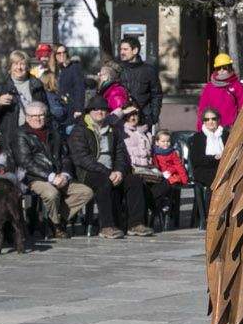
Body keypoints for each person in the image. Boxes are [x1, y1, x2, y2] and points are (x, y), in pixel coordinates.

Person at [10, 99, 92, 238]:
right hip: (34, 177)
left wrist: (65, 174)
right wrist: (51, 177)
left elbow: (65, 156)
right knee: (51, 194)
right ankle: (56, 226)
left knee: (86, 192)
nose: (38, 119)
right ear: (27, 117)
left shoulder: (53, 132)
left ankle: (57, 221)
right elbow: (26, 162)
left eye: (41, 115)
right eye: (33, 116)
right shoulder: (20, 134)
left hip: (59, 175)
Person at [68, 95, 147, 239]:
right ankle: (106, 226)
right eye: (96, 109)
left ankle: (136, 224)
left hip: (111, 170)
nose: (100, 112)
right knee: (103, 182)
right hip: (88, 172)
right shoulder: (80, 130)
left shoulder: (112, 130)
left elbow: (121, 154)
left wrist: (119, 171)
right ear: (89, 112)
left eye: (104, 109)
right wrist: (107, 172)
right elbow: (82, 158)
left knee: (134, 181)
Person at [0, 49, 61, 156]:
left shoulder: (37, 85)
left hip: (35, 139)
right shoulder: (1, 88)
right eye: (15, 64)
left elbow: (47, 112)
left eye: (22, 64)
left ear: (27, 67)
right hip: (11, 140)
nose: (19, 67)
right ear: (10, 66)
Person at [120, 104, 162, 236]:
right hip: (133, 169)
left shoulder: (146, 133)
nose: (133, 117)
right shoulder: (121, 131)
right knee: (138, 185)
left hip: (148, 170)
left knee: (166, 185)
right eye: (129, 115)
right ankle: (138, 221)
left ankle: (147, 213)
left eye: (135, 114)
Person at [189, 108, 226, 226]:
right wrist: (214, 158)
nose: (210, 122)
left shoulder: (226, 135)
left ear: (218, 120)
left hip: (223, 167)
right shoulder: (198, 137)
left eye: (213, 119)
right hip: (204, 169)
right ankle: (212, 216)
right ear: (203, 122)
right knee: (215, 180)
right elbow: (196, 160)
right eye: (207, 119)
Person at [116, 36, 161, 128]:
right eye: (121, 49)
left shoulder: (149, 70)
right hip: (122, 120)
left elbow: (156, 94)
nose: (122, 52)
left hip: (144, 119)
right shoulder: (118, 70)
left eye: (125, 49)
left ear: (135, 50)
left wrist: (154, 117)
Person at [150, 130, 189, 229]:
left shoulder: (172, 153)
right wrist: (160, 173)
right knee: (160, 188)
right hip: (160, 175)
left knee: (170, 185)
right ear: (157, 142)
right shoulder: (154, 153)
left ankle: (164, 205)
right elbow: (155, 165)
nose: (166, 143)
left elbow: (179, 166)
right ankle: (160, 205)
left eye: (168, 141)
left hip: (172, 176)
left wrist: (184, 179)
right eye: (163, 141)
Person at [197, 53, 243, 129]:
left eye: (224, 67)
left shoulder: (237, 85)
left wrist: (241, 125)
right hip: (212, 128)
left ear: (230, 68)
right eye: (218, 68)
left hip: (231, 128)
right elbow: (202, 109)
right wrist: (200, 128)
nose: (221, 70)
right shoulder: (209, 87)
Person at [54, 43, 86, 124]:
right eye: (59, 53)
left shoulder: (73, 67)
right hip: (55, 111)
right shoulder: (54, 70)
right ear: (54, 55)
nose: (62, 55)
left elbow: (79, 88)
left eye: (64, 52)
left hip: (70, 110)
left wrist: (78, 109)